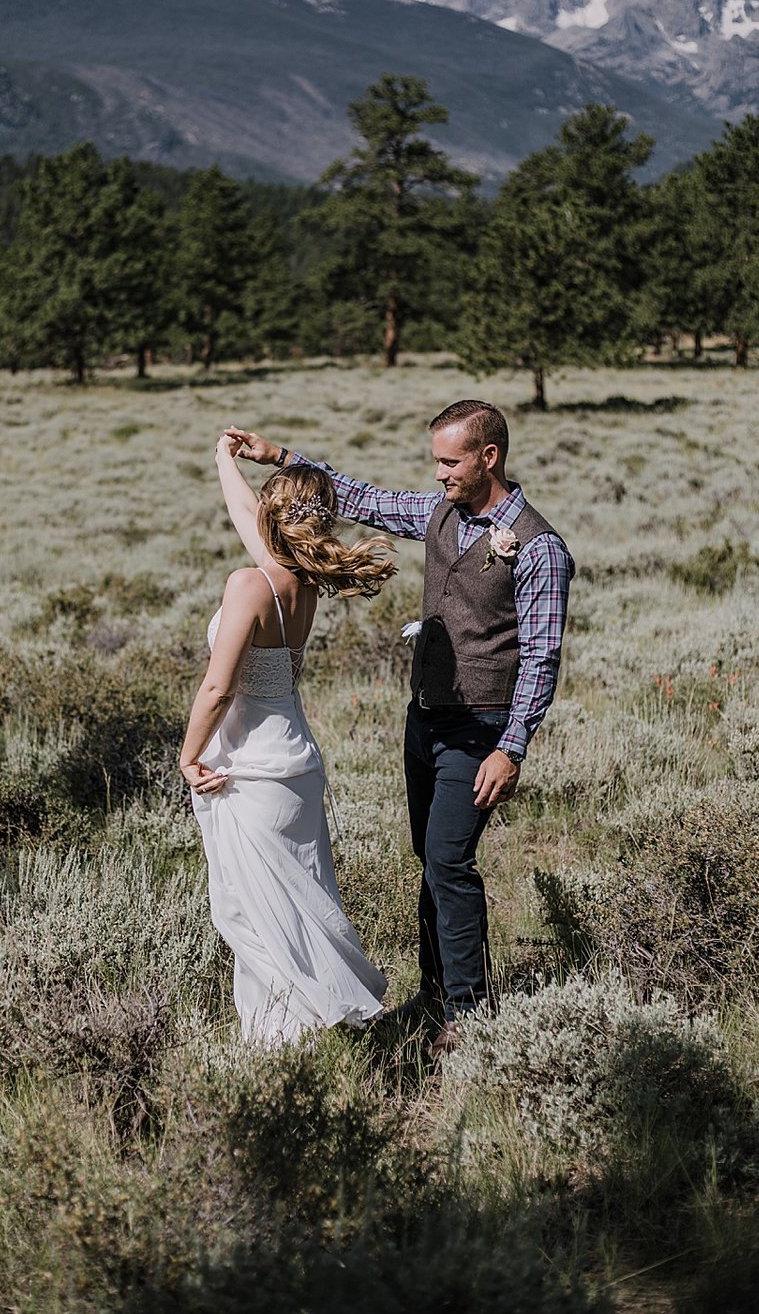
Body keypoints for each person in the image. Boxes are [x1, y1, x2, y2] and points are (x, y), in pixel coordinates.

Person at [225, 401, 575, 1057]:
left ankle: (468, 1016)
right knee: (430, 860)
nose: (439, 472)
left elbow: (541, 657)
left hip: (480, 729)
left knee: (449, 861)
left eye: (450, 460)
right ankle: (436, 992)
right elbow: (363, 497)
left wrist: (511, 747)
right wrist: (279, 458)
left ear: (488, 457)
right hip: (425, 720)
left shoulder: (539, 548)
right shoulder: (442, 514)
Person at [179, 432, 394, 1046]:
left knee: (252, 915)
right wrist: (223, 458)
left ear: (275, 520)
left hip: (250, 769)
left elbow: (218, 689)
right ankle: (298, 1034)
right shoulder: (300, 578)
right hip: (293, 764)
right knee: (297, 904)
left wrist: (187, 755)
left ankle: (281, 1044)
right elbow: (247, 515)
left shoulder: (251, 584)